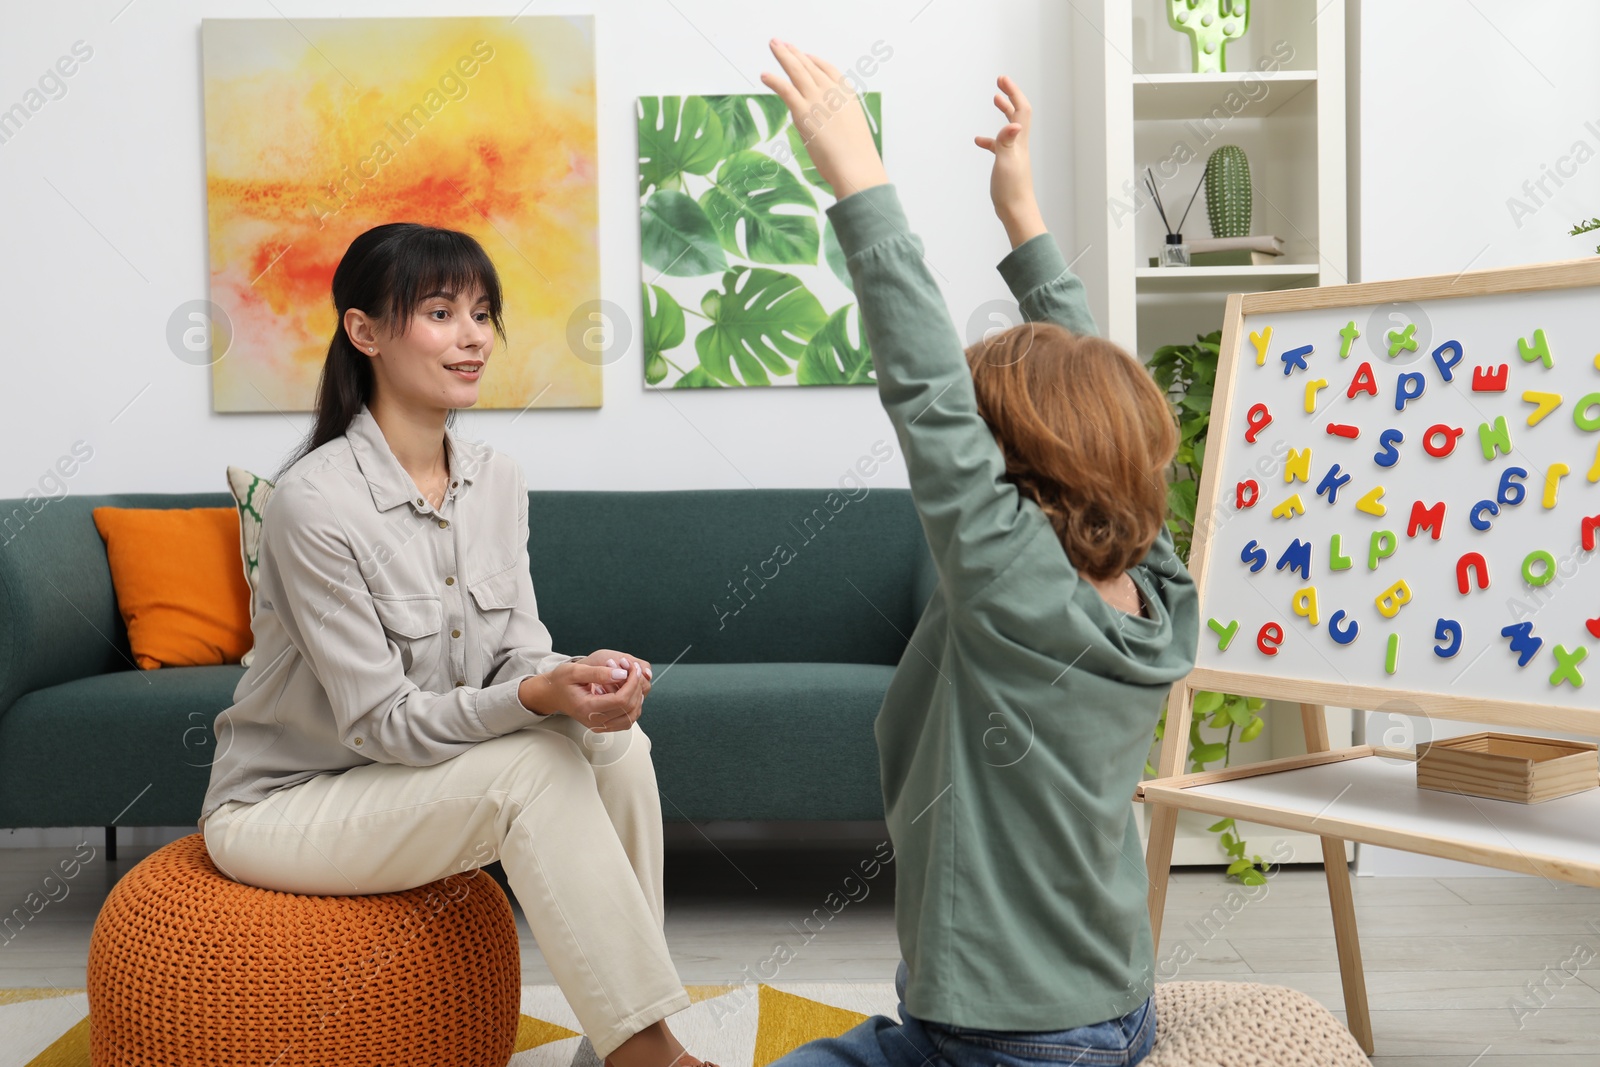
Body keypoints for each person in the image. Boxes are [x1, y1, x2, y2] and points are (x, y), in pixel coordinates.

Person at [757, 41, 1200, 1067]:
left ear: (1007, 471)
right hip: (1091, 1008)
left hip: (1012, 1039)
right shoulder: (1157, 584)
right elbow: (1105, 415)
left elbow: (925, 391)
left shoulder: (1009, 590)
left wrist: (856, 177)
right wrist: (1023, 222)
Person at [198, 223, 717, 1067]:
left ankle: (618, 1038)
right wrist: (532, 700)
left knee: (617, 746)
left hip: (404, 782)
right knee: (536, 766)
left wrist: (577, 680)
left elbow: (517, 655)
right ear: (364, 332)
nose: (474, 335)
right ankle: (650, 1056)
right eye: (441, 312)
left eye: (482, 313)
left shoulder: (498, 478)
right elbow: (380, 724)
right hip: (288, 802)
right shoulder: (312, 503)